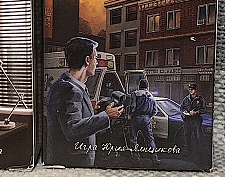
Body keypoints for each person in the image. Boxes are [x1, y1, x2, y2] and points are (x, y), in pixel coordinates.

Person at [46, 37, 123, 166]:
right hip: (72, 163)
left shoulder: (74, 86)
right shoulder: (69, 89)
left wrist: (93, 113)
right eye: (95, 58)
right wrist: (106, 116)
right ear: (87, 60)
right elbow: (72, 130)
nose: (97, 63)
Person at [127, 78, 158, 161]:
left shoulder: (135, 94)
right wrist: (148, 116)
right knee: (150, 139)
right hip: (147, 119)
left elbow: (133, 106)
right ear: (147, 86)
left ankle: (136, 157)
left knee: (133, 138)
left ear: (139, 85)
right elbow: (155, 111)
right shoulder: (151, 96)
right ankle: (154, 158)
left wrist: (130, 115)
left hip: (136, 118)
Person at [180, 82, 205, 150]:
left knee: (198, 137)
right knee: (187, 136)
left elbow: (204, 109)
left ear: (196, 90)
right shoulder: (186, 99)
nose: (191, 91)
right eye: (190, 89)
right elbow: (181, 108)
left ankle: (198, 152)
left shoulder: (200, 99)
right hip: (187, 121)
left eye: (192, 89)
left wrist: (196, 112)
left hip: (196, 121)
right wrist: (184, 111)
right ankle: (188, 151)